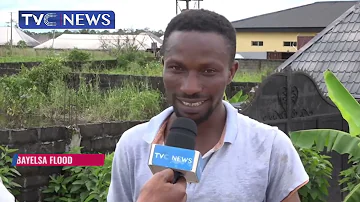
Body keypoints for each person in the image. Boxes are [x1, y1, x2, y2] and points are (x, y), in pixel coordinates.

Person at [107, 9, 309, 202]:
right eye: (176, 68)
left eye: (208, 71)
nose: (190, 87)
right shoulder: (132, 146)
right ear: (163, 67)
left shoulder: (270, 147)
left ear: (231, 72)